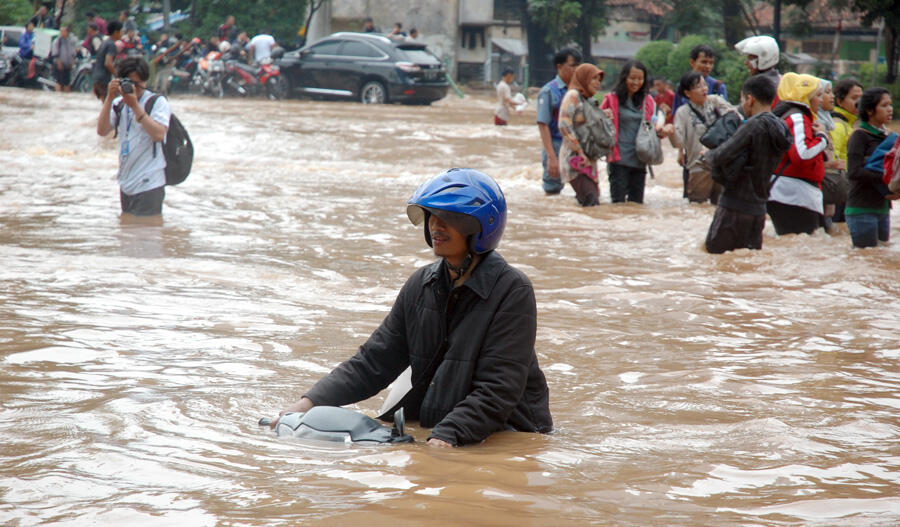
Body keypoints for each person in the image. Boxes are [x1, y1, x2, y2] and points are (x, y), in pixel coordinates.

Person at [272, 169, 553, 447]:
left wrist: (447, 435)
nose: (435, 226)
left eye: (449, 218)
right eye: (432, 216)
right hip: (444, 430)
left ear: (481, 226)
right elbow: (373, 362)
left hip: (509, 432)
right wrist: (307, 403)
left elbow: (498, 390)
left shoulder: (513, 290)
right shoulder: (421, 284)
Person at [704, 75, 791, 253]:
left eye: (743, 99)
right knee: (747, 268)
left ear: (750, 99)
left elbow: (721, 155)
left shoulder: (753, 125)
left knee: (716, 265)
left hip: (733, 208)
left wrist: (707, 155)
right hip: (758, 212)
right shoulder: (782, 127)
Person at [96, 57, 171, 218]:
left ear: (145, 81)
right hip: (126, 182)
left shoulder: (157, 102)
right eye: (128, 83)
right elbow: (102, 131)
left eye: (137, 83)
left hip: (150, 182)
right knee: (129, 234)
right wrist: (109, 97)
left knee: (146, 235)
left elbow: (159, 134)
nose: (133, 88)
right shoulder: (119, 103)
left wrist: (135, 106)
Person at [601, 60, 674, 203]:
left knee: (636, 204)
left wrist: (662, 131)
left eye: (640, 79)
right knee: (618, 204)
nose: (636, 82)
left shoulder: (648, 101)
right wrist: (604, 115)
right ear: (624, 78)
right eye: (632, 78)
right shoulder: (611, 99)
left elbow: (651, 128)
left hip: (640, 159)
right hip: (618, 159)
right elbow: (597, 120)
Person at [767, 73, 828, 235]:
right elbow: (802, 155)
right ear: (806, 96)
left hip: (791, 194)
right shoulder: (798, 118)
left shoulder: (795, 115)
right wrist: (823, 138)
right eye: (818, 95)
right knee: (801, 249)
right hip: (793, 195)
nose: (821, 100)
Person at [845, 88, 897, 247]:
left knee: (879, 259)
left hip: (882, 208)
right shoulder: (859, 136)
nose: (890, 109)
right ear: (869, 110)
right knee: (864, 258)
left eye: (890, 104)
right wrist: (887, 179)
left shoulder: (889, 136)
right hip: (862, 209)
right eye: (884, 105)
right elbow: (854, 172)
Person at [671, 71, 733, 204]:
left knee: (721, 207)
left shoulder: (716, 102)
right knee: (697, 207)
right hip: (698, 167)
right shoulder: (683, 112)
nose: (704, 89)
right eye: (698, 86)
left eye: (704, 85)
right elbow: (679, 142)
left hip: (722, 165)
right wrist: (670, 133)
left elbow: (734, 119)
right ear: (688, 93)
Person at [558, 63, 607, 206]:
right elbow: (564, 125)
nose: (598, 83)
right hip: (576, 160)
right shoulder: (573, 96)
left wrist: (604, 116)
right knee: (590, 200)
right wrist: (579, 151)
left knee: (589, 201)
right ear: (584, 78)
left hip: (588, 160)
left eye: (599, 80)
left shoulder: (589, 100)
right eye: (594, 79)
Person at [536, 47, 582, 195]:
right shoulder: (548, 91)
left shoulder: (579, 91)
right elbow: (543, 125)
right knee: (552, 190)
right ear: (559, 66)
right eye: (572, 65)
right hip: (555, 144)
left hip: (576, 146)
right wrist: (551, 157)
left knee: (583, 191)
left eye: (578, 65)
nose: (576, 69)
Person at [829, 79, 864, 223]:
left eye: (862, 98)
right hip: (840, 189)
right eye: (854, 98)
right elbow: (832, 158)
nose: (859, 102)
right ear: (839, 101)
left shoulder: (849, 125)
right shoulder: (838, 125)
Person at [671, 45, 728, 115]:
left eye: (711, 63)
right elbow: (677, 114)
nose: (708, 66)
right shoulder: (682, 86)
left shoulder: (718, 87)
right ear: (692, 62)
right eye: (704, 62)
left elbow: (725, 115)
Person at [93, 21, 122, 101]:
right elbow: (108, 63)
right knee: (109, 105)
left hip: (96, 78)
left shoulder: (104, 42)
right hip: (104, 79)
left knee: (105, 104)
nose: (122, 33)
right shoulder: (111, 45)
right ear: (116, 32)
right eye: (121, 31)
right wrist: (118, 75)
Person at [51, 25, 77, 93]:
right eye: (61, 31)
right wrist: (59, 63)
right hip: (59, 64)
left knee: (67, 82)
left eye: (63, 31)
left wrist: (72, 63)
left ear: (68, 32)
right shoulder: (57, 41)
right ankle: (58, 95)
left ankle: (66, 97)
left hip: (68, 65)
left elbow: (73, 53)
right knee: (59, 81)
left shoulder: (70, 40)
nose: (61, 33)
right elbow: (55, 53)